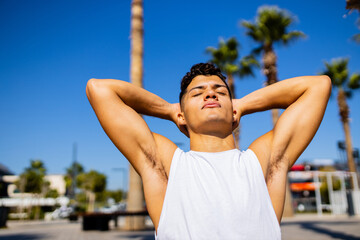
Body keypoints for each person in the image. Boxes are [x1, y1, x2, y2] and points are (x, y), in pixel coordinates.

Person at [86, 63, 331, 239]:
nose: (210, 93)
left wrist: (242, 104)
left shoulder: (262, 163)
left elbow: (318, 86)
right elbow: (99, 89)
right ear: (182, 115)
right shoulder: (167, 166)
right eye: (198, 93)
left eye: (220, 91)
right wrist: (170, 111)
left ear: (233, 110)